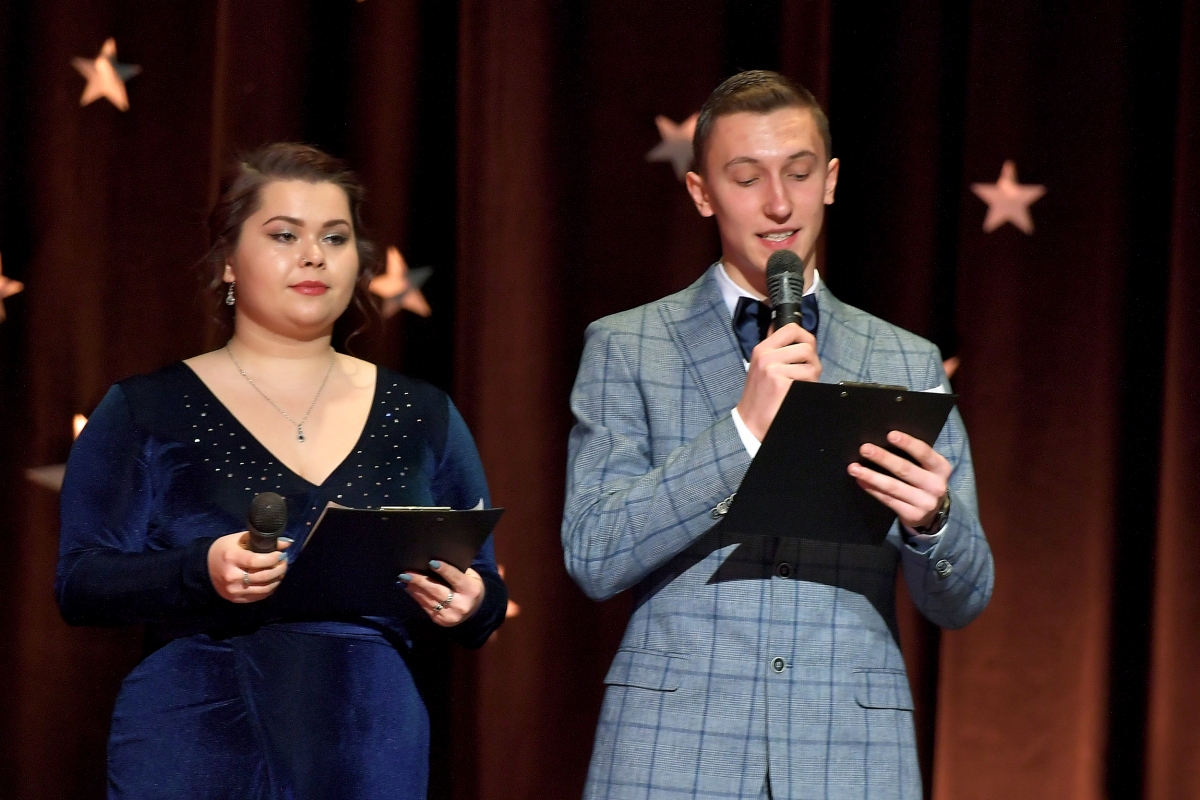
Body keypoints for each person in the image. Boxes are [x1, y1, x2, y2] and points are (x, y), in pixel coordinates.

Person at [562, 71, 994, 799]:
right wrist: (741, 431)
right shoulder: (628, 346)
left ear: (830, 181)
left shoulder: (906, 360)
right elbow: (594, 554)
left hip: (849, 754)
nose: (778, 204)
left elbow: (964, 598)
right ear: (701, 192)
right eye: (746, 178)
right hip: (672, 751)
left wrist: (934, 522)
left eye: (798, 173)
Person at [55, 143, 507, 800]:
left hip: (371, 742)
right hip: (195, 739)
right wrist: (201, 569)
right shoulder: (144, 408)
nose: (314, 255)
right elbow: (80, 583)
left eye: (335, 237)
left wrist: (470, 602)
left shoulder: (422, 412)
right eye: (284, 235)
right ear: (228, 261)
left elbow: (484, 590)